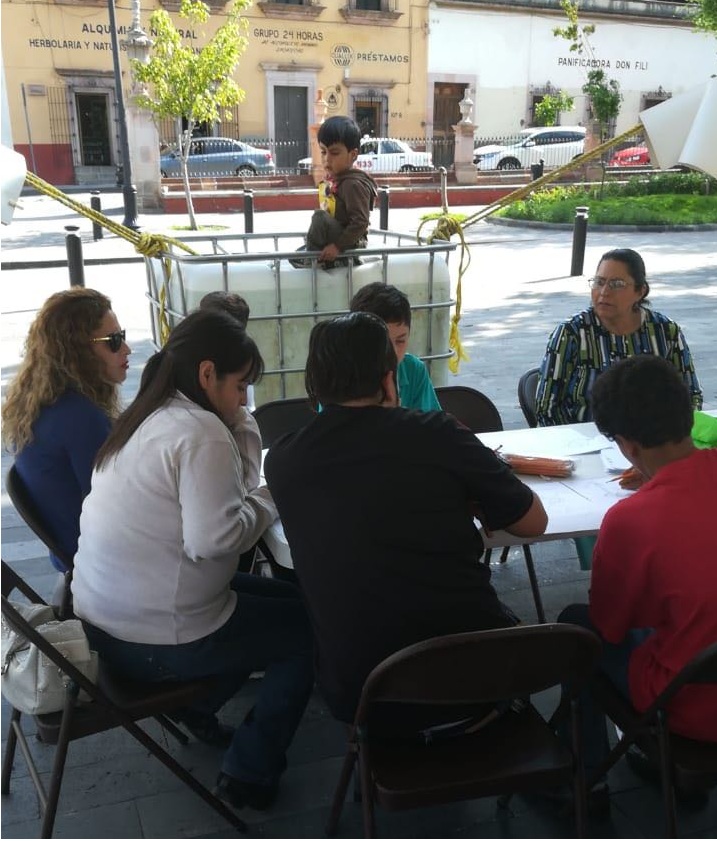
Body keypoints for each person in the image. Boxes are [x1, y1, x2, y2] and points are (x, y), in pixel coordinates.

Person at [71, 309, 314, 812]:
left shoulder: (150, 413)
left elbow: (225, 506)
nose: (244, 399)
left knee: (294, 601)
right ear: (207, 374)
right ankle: (250, 772)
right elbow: (218, 540)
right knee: (308, 633)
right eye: (241, 386)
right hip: (153, 637)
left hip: (104, 621)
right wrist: (272, 497)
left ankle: (198, 705)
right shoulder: (200, 431)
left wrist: (241, 426)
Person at [264, 312, 547, 723]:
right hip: (475, 680)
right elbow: (533, 523)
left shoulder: (283, 460)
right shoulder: (440, 434)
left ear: (314, 386)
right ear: (388, 380)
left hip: (361, 695)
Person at [557, 356, 717, 788]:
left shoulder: (631, 520)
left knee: (578, 630)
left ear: (627, 446)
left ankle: (581, 780)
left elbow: (611, 626)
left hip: (691, 708)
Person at [1, 288, 130, 573]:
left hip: (74, 556)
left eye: (122, 336)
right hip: (102, 566)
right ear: (78, 351)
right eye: (114, 341)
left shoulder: (47, 403)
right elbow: (117, 509)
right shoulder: (80, 417)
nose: (126, 349)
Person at [535, 248, 703, 427]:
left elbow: (690, 397)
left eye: (616, 284)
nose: (604, 292)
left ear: (640, 291)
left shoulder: (665, 332)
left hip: (654, 438)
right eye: (599, 282)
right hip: (583, 438)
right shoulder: (572, 333)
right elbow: (547, 408)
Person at [292, 115, 378, 269]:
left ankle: (312, 260)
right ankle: (315, 255)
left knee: (319, 217)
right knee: (320, 219)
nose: (327, 158)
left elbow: (360, 222)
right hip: (339, 236)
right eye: (323, 152)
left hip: (352, 244)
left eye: (334, 153)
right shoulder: (337, 179)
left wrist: (337, 246)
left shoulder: (352, 184)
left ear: (353, 155)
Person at [350, 282, 441, 411]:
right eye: (382, 343)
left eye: (400, 341)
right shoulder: (339, 376)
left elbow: (432, 421)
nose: (392, 352)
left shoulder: (413, 370)